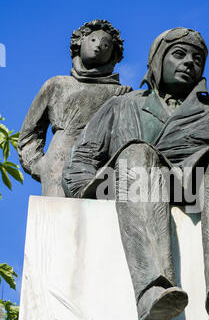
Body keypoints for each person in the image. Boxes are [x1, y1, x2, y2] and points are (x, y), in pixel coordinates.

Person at [62, 27, 209, 320]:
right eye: (179, 54)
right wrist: (94, 195)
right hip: (136, 185)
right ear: (157, 61)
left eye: (197, 58)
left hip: (203, 189)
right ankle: (153, 292)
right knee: (137, 153)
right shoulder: (122, 106)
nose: (189, 62)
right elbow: (79, 165)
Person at [18, 19, 132, 196]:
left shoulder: (120, 92)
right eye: (93, 40)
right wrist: (38, 165)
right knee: (57, 217)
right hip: (59, 159)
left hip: (101, 163)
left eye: (106, 45)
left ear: (113, 55)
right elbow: (30, 133)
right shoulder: (56, 84)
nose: (99, 46)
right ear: (80, 43)